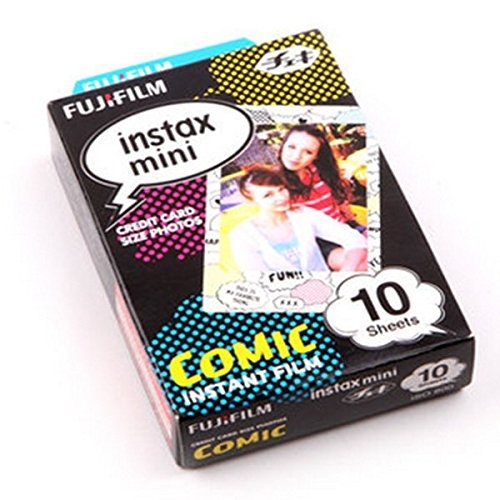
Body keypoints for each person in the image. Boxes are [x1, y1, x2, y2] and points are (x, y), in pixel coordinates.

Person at [229, 165, 367, 273]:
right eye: (268, 195)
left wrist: (346, 271)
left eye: (281, 189)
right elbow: (257, 279)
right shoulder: (242, 235)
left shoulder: (303, 214)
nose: (281, 197)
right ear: (252, 202)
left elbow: (353, 238)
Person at [278, 123, 357, 225]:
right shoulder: (274, 182)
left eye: (308, 152)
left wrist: (355, 224)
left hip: (341, 227)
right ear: (283, 145)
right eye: (291, 147)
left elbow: (340, 200)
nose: (296, 156)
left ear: (316, 156)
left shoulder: (321, 172)